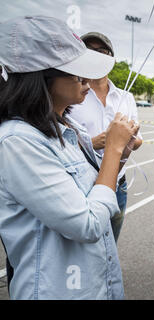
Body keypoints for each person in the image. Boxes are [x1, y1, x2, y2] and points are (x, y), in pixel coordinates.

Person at [0, 15, 139, 299]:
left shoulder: (63, 127)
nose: (87, 80)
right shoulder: (18, 141)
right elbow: (86, 224)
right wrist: (112, 148)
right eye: (77, 72)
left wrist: (120, 155)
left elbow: (94, 188)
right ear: (42, 77)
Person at [69, 32, 143, 243]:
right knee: (84, 247)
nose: (96, 56)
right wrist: (95, 143)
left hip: (118, 183)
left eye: (102, 51)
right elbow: (59, 144)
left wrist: (129, 140)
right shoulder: (71, 95)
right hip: (81, 184)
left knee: (110, 245)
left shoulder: (126, 97)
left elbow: (138, 141)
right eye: (89, 51)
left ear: (112, 58)